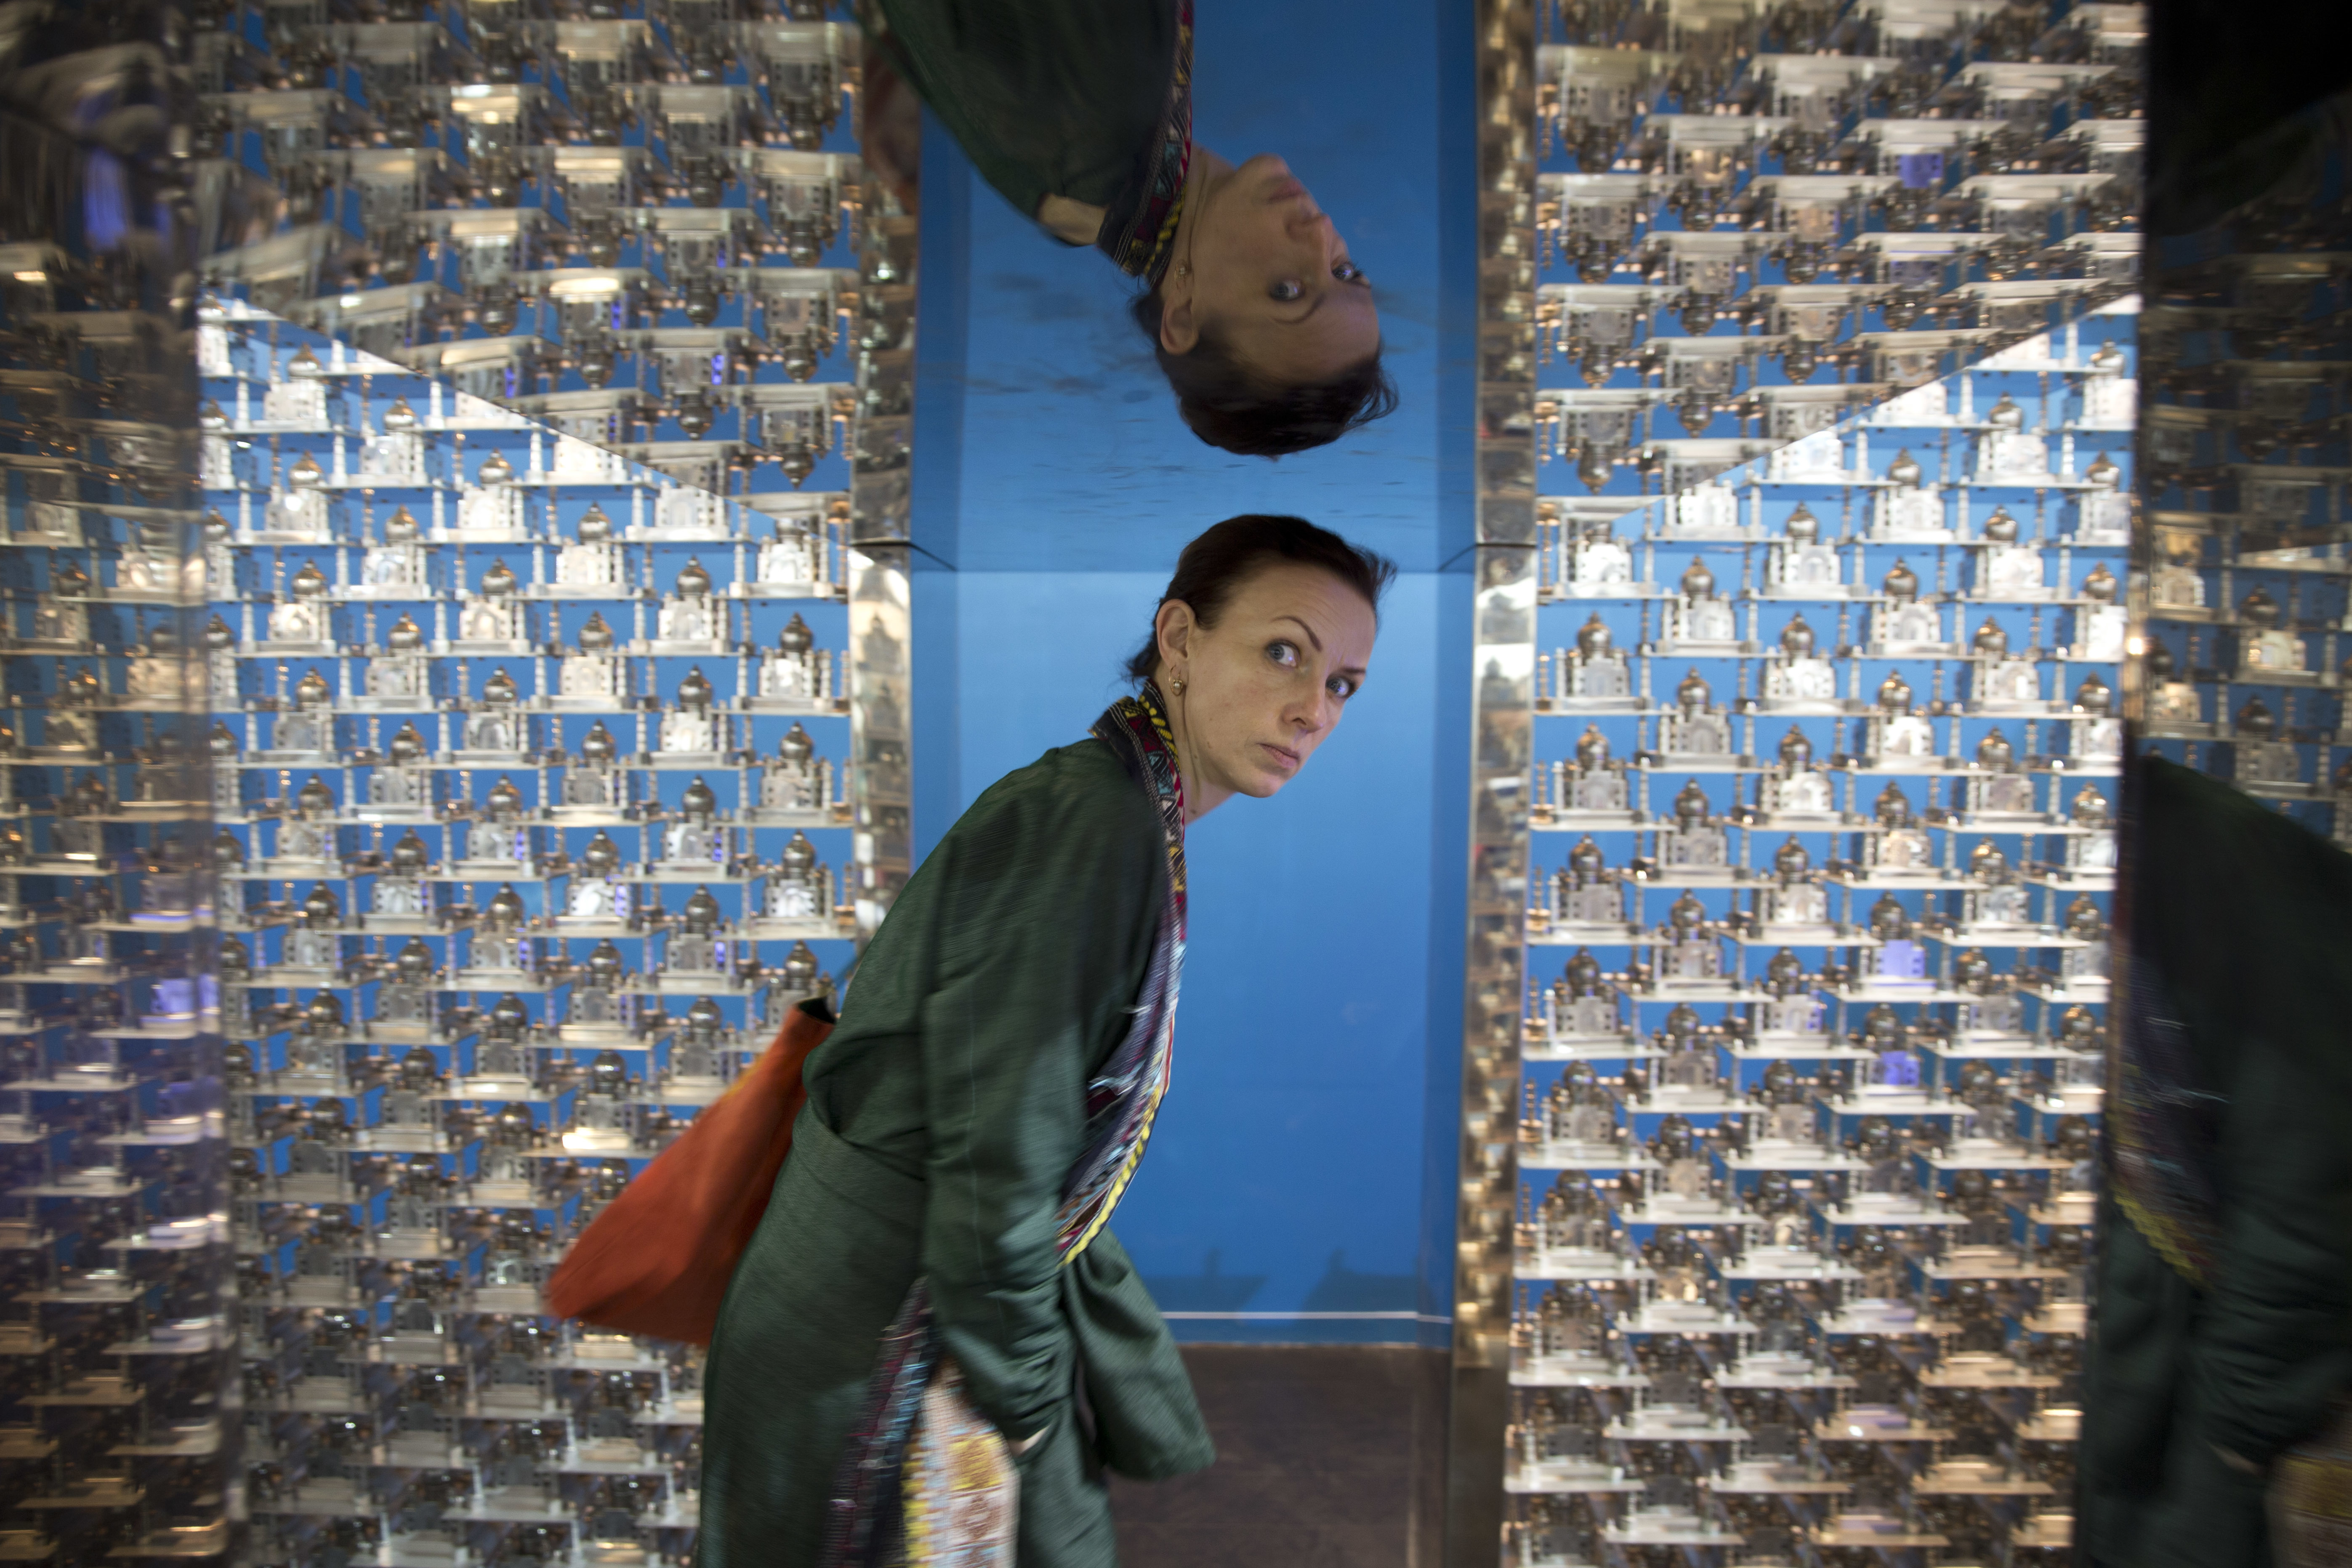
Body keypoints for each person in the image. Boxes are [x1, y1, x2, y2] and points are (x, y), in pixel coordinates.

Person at [694, 515, 1392, 1566]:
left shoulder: (1120, 803)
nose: (1311, 708)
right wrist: (1025, 1399)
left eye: (1342, 683)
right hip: (876, 1327)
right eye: (1283, 651)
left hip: (907, 1294)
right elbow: (999, 1151)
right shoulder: (1093, 822)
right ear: (1180, 639)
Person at [858, 0, 1396, 458]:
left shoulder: (1104, 117)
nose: (1320, 232)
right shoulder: (1081, 207)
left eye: (1288, 291)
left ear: (1183, 313)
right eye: (1344, 269)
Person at [2079, 757, 2352, 1568]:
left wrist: (2239, 1430)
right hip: (2119, 1416)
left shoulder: (2221, 863)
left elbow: (2311, 1191)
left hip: (2200, 1432)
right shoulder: (2079, 845)